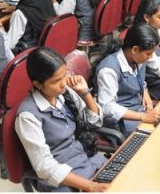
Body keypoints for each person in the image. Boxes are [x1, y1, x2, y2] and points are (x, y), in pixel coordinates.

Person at [15, 47, 109, 192]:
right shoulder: (28, 116)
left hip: (85, 160)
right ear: (38, 84)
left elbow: (95, 122)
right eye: (56, 80)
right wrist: (90, 186)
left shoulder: (64, 93)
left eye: (65, 75)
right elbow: (45, 167)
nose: (64, 83)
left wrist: (85, 93)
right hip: (61, 179)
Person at [95, 23, 160, 134]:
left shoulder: (136, 59)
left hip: (137, 109)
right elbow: (107, 107)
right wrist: (143, 117)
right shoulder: (108, 70)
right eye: (148, 54)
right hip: (120, 121)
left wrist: (145, 92)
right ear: (135, 49)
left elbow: (140, 80)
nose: (150, 58)